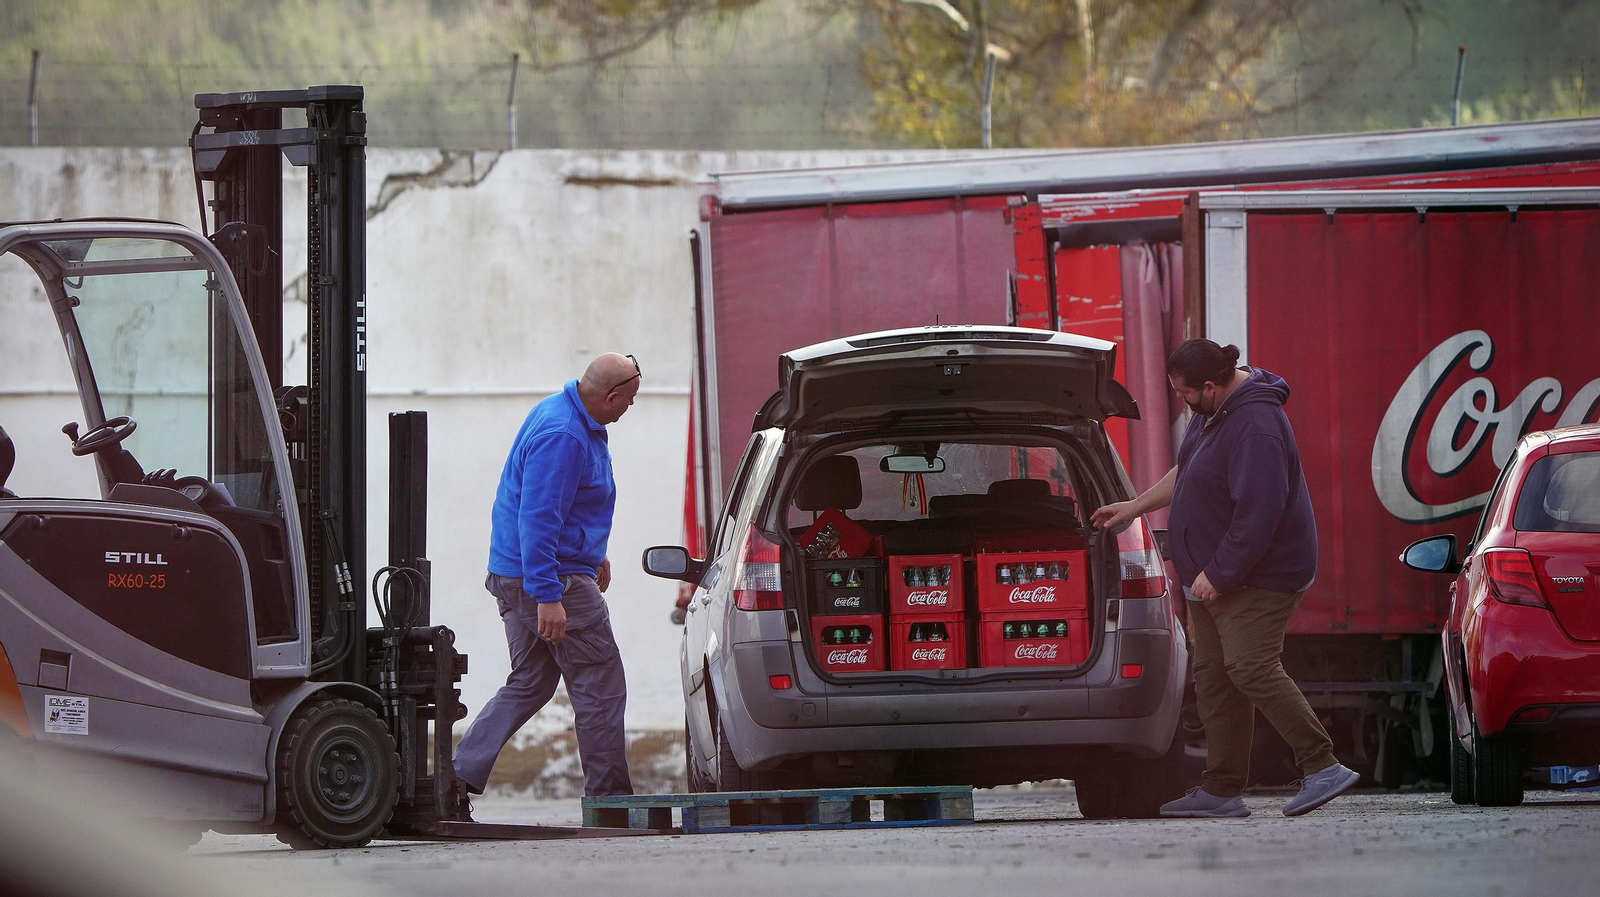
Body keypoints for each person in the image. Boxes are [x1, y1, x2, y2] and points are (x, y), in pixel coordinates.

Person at [1092, 339, 1358, 819]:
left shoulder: (1257, 426)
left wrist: (1220, 572)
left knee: (1250, 666)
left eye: (1185, 394)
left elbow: (1261, 513)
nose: (1182, 401)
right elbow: (1187, 471)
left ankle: (1322, 765)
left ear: (1211, 386)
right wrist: (1133, 507)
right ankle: (1221, 789)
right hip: (1211, 575)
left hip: (1260, 575)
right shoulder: (1213, 413)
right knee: (1213, 677)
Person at [454, 353, 642, 798]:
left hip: (520, 573)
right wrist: (548, 595)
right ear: (610, 395)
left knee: (532, 681)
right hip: (546, 580)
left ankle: (455, 776)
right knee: (599, 683)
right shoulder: (564, 435)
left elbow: (564, 506)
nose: (630, 409)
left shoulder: (562, 413)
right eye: (629, 400)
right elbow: (536, 519)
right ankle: (611, 802)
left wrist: (591, 552)